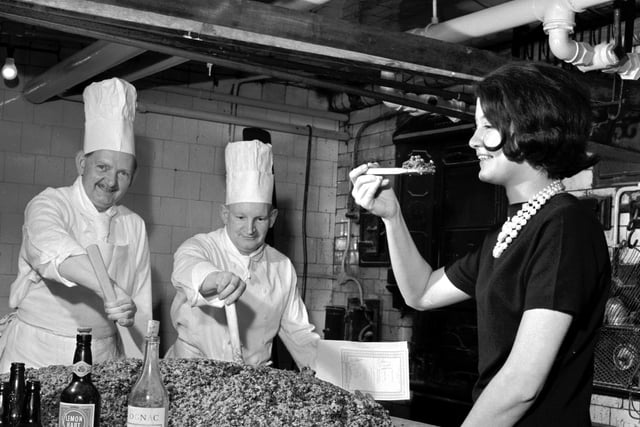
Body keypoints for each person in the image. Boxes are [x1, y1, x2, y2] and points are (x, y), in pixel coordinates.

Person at [350, 62, 611, 426]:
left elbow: (522, 384)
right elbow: (421, 293)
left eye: (487, 128)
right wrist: (391, 215)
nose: (473, 141)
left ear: (531, 129)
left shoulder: (565, 225)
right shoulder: (509, 232)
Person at [0, 78, 152, 372]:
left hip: (102, 357)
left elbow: (141, 305)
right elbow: (52, 248)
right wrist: (110, 290)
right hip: (35, 352)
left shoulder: (134, 224)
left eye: (123, 173)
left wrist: (140, 370)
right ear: (82, 163)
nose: (111, 182)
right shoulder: (49, 204)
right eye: (102, 167)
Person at [166, 139, 320, 370]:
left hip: (251, 382)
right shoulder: (200, 246)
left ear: (273, 218)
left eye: (260, 218)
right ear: (225, 214)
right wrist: (215, 280)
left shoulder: (282, 266)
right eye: (240, 217)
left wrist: (337, 372)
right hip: (190, 371)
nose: (250, 229)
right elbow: (188, 269)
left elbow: (299, 334)